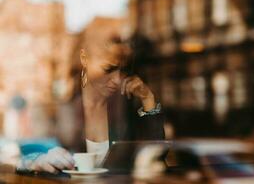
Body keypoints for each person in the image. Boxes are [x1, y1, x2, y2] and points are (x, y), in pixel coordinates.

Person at [17, 35, 165, 173]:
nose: (117, 78)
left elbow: (158, 150)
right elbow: (23, 158)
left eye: (120, 69)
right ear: (84, 61)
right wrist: (38, 161)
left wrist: (148, 100)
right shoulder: (65, 107)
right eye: (108, 68)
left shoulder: (126, 104)